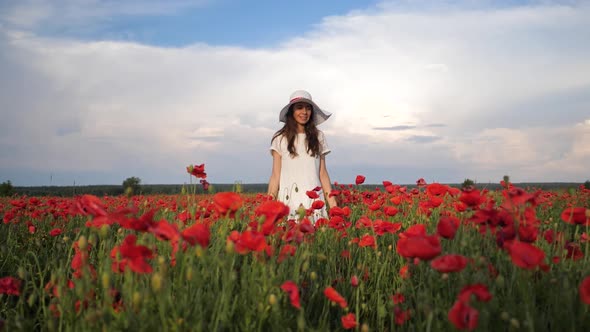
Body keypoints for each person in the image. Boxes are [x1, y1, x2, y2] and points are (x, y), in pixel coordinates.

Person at [267, 90, 337, 221]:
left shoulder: (318, 136)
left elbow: (323, 173)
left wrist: (333, 205)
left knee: (316, 239)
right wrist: (268, 205)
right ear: (291, 111)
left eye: (308, 108)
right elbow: (276, 175)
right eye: (299, 108)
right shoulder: (280, 138)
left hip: (314, 201)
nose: (304, 112)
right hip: (288, 200)